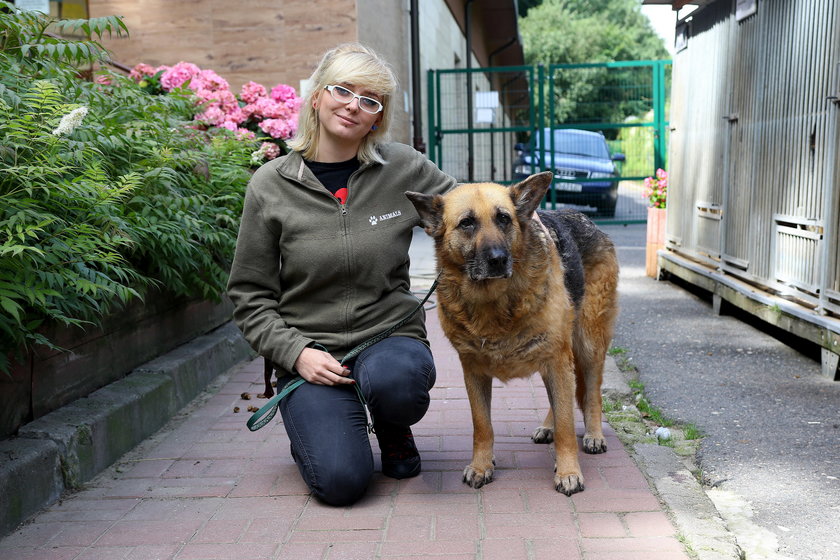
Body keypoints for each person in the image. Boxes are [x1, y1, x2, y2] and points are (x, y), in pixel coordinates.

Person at [226, 43, 457, 506]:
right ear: (316, 97)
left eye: (370, 100)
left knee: (399, 386)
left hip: (388, 336)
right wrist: (296, 354)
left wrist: (531, 225)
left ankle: (392, 425)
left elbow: (469, 208)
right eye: (343, 90)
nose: (354, 105)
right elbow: (249, 295)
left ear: (378, 116)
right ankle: (320, 428)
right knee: (341, 484)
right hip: (311, 352)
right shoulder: (270, 185)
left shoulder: (404, 168)